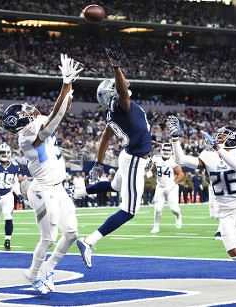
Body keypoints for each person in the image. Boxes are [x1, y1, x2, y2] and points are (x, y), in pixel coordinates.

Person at [167, 117, 236, 290]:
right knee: (234, 254)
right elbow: (181, 160)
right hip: (225, 212)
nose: (218, 137)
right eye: (218, 136)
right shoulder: (208, 155)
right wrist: (175, 138)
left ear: (233, 138)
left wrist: (218, 148)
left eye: (223, 136)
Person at [2, 53, 81, 294]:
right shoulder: (26, 137)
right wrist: (65, 85)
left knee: (72, 234)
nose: (30, 110)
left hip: (58, 187)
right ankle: (33, 273)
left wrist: (69, 88)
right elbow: (56, 118)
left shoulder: (34, 125)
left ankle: (49, 267)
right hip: (43, 190)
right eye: (25, 111)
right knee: (48, 238)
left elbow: (61, 111)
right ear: (21, 121)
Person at [73, 48, 152, 269]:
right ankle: (89, 241)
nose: (125, 88)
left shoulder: (111, 113)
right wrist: (116, 67)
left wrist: (99, 162)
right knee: (129, 210)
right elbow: (123, 91)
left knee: (116, 186)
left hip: (128, 156)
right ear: (113, 94)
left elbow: (105, 138)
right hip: (135, 158)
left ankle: (78, 193)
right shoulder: (120, 106)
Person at [149, 143, 184, 233]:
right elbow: (154, 170)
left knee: (174, 209)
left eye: (168, 150)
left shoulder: (173, 161)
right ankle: (156, 227)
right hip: (160, 187)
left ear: (171, 152)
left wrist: (172, 184)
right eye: (164, 150)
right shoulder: (156, 159)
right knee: (158, 209)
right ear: (161, 151)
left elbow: (181, 174)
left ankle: (178, 216)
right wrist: (150, 173)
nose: (166, 152)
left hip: (171, 188)